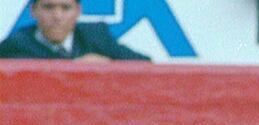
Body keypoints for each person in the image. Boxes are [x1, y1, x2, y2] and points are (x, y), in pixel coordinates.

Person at [0, 0, 150, 61]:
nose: (57, 16)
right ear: (33, 10)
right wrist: (73, 67)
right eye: (48, 7)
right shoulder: (15, 46)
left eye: (65, 8)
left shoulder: (95, 36)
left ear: (78, 11)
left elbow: (146, 65)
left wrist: (109, 65)